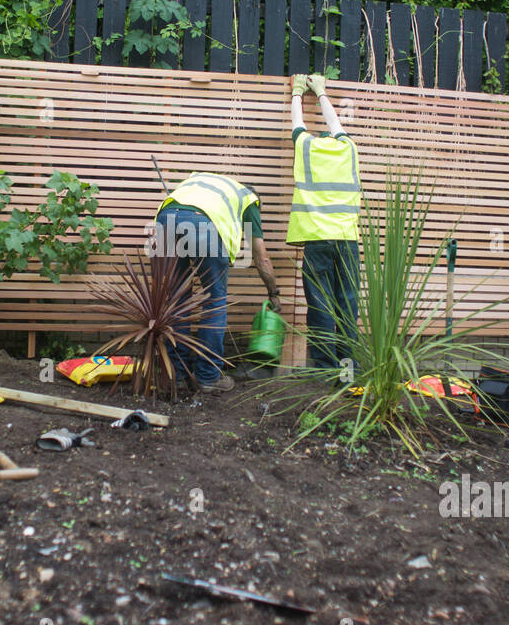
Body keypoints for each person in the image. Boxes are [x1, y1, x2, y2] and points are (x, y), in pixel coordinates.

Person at [154, 172, 279, 394]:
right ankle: (208, 377)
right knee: (214, 301)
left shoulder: (207, 183)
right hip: (203, 226)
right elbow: (262, 257)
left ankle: (176, 376)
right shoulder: (248, 200)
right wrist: (273, 292)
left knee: (178, 300)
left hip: (166, 218)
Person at [287, 72, 361, 372]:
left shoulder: (306, 148)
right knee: (347, 304)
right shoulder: (348, 150)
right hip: (346, 240)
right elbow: (335, 124)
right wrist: (321, 92)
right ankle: (347, 371)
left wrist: (296, 92)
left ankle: (326, 371)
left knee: (319, 303)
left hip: (318, 241)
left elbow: (297, 124)